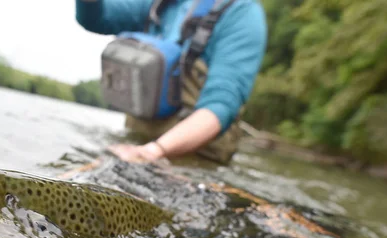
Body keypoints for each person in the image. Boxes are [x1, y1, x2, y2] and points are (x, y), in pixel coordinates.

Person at [75, 0, 267, 165]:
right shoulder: (157, 4)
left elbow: (220, 107)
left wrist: (154, 151)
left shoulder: (243, 14)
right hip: (136, 141)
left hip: (195, 158)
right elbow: (97, 18)